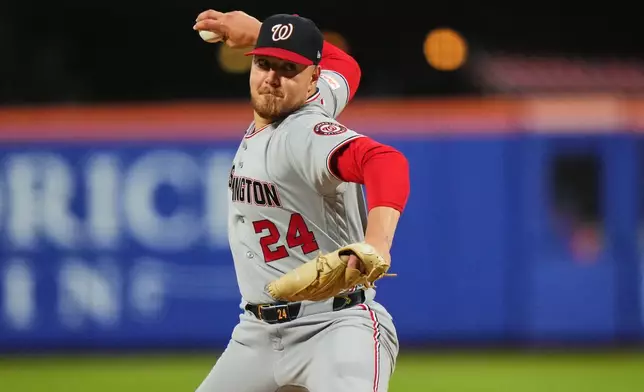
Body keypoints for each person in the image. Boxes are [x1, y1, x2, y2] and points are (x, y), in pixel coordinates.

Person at [192, 9, 410, 392]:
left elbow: (384, 160)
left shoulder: (304, 132)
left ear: (312, 78)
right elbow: (346, 66)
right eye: (263, 63)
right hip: (257, 335)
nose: (272, 79)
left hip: (335, 329)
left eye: (288, 69)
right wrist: (260, 32)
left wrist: (377, 242)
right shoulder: (312, 97)